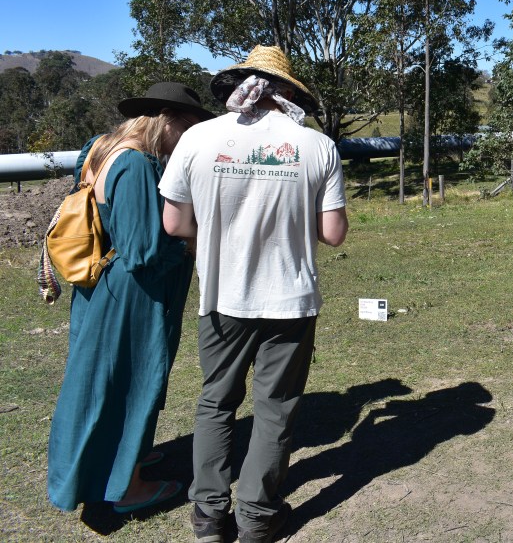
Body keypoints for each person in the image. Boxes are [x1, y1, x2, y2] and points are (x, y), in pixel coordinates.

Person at [160, 46, 348, 543]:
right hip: (290, 299)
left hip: (221, 299)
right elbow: (333, 234)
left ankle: (207, 516)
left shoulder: (198, 138)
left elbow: (174, 222)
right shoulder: (316, 145)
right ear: (286, 92)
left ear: (241, 84)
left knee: (216, 402)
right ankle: (258, 518)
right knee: (275, 407)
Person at [47, 82, 215, 514]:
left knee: (99, 380)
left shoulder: (101, 148)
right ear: (169, 119)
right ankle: (127, 487)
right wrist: (190, 244)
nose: (191, 137)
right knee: (133, 382)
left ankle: (123, 458)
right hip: (133, 294)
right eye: (190, 127)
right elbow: (142, 250)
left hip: (102, 286)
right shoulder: (137, 164)